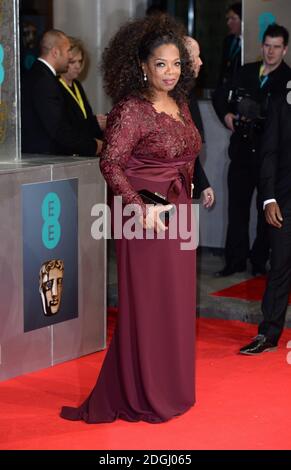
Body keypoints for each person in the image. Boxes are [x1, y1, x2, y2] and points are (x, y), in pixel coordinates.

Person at [60, 15, 201, 423]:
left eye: (176, 64)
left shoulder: (181, 103)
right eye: (161, 64)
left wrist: (189, 198)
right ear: (142, 65)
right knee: (150, 305)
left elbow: (187, 155)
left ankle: (172, 386)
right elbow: (111, 163)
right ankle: (144, 390)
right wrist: (140, 209)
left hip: (180, 217)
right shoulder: (132, 109)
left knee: (175, 304)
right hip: (144, 221)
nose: (170, 72)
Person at [215, 24, 291, 277]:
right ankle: (234, 261)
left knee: (266, 212)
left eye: (276, 47)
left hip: (270, 157)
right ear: (262, 46)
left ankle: (259, 262)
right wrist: (227, 116)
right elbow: (220, 96)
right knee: (236, 211)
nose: (270, 52)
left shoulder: (287, 81)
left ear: (285, 49)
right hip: (241, 150)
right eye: (267, 46)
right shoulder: (246, 71)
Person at [239, 92, 291, 354]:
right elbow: (269, 152)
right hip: (285, 201)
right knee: (280, 264)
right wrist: (269, 198)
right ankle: (268, 333)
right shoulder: (282, 103)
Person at [21, 29, 101, 156]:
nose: (70, 56)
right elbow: (58, 129)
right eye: (68, 51)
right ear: (55, 52)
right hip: (43, 158)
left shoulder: (41, 75)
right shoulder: (44, 80)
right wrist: (93, 146)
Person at [185, 36, 215, 208]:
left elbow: (190, 150)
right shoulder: (176, 97)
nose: (201, 62)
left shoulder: (187, 92)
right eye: (197, 56)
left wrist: (202, 183)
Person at [59, 37, 104, 150]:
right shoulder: (55, 85)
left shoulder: (77, 85)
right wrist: (94, 123)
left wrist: (98, 122)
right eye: (72, 62)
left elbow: (84, 118)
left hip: (83, 146)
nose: (78, 66)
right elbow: (66, 125)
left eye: (80, 61)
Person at [212, 2, 242, 122]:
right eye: (228, 19)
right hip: (226, 91)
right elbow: (223, 67)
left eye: (233, 18)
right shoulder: (229, 40)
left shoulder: (250, 43)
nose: (229, 23)